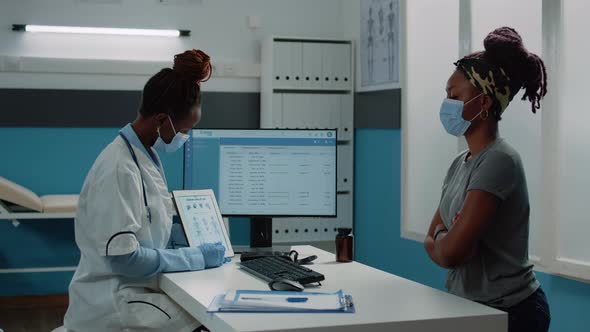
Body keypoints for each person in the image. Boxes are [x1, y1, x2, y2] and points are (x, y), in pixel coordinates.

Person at [64, 49, 224, 332]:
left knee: (209, 311)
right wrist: (195, 256)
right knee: (211, 320)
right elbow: (125, 258)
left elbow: (147, 226)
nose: (182, 139)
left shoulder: (144, 156)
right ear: (162, 120)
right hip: (114, 304)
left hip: (138, 291)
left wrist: (182, 237)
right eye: (183, 131)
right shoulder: (119, 167)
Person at [424, 27, 550, 332]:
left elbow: (452, 252)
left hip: (510, 311)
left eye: (454, 96)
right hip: (470, 306)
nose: (447, 103)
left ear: (483, 104)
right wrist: (445, 237)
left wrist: (445, 238)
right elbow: (432, 238)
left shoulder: (499, 160)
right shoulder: (460, 164)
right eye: (446, 95)